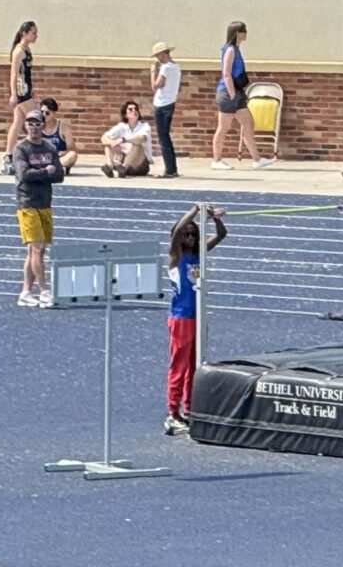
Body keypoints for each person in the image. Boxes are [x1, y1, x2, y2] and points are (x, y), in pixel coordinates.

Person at [162, 204, 227, 434]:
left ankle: (189, 409)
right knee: (178, 367)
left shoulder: (199, 253)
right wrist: (194, 211)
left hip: (198, 317)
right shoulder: (174, 256)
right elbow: (178, 228)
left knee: (194, 367)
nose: (189, 237)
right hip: (181, 319)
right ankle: (172, 412)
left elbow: (221, 235)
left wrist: (213, 219)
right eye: (186, 234)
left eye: (193, 233)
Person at [12, 108, 64, 307]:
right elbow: (23, 175)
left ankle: (25, 292)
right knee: (37, 247)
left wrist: (45, 172)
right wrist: (45, 171)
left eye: (37, 123)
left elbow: (59, 175)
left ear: (43, 125)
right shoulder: (21, 149)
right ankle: (44, 291)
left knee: (37, 252)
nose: (33, 127)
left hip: (45, 203)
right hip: (28, 202)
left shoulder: (49, 148)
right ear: (25, 125)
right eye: (30, 123)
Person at [210, 20, 269, 169]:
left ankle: (257, 159)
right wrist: (231, 95)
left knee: (248, 123)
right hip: (228, 92)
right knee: (223, 127)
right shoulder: (230, 50)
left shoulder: (236, 48)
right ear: (237, 33)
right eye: (244, 30)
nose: (246, 33)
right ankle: (216, 160)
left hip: (237, 92)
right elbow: (226, 74)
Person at [0, 19, 38, 176]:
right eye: (33, 33)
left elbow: (27, 73)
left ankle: (9, 154)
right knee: (37, 119)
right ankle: (33, 151)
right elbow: (14, 73)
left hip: (26, 89)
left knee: (18, 122)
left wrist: (32, 89)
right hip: (21, 92)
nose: (36, 36)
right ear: (25, 33)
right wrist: (13, 94)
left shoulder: (27, 50)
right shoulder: (19, 51)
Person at [149, 40, 181, 177]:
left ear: (163, 54)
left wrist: (152, 71)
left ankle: (170, 169)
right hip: (170, 102)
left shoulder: (166, 68)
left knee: (163, 138)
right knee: (165, 136)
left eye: (158, 55)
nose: (157, 58)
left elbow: (155, 86)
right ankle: (172, 168)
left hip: (162, 104)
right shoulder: (176, 67)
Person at [100, 101, 152, 177]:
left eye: (136, 109)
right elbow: (103, 138)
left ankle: (123, 167)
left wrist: (123, 139)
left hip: (139, 165)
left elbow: (141, 138)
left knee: (137, 144)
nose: (134, 111)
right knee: (109, 141)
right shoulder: (122, 126)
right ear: (125, 115)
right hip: (125, 160)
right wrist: (112, 143)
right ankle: (109, 166)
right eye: (131, 109)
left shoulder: (144, 126)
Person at [34, 95, 79, 172]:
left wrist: (64, 153)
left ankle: (53, 168)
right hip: (43, 158)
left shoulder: (62, 127)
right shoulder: (36, 125)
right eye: (42, 112)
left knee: (72, 155)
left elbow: (72, 148)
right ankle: (55, 169)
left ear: (54, 114)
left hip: (59, 158)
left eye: (47, 113)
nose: (44, 115)